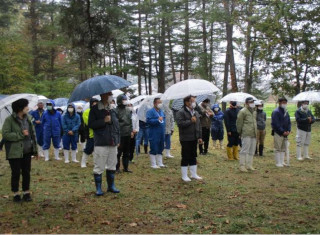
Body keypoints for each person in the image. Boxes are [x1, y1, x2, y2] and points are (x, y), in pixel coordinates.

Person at [2, 99, 38, 202]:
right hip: (14, 151)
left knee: (26, 172)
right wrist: (21, 134)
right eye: (26, 106)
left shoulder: (28, 119)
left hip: (27, 150)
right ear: (20, 108)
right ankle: (16, 193)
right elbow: (6, 134)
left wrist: (35, 151)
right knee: (16, 173)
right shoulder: (9, 120)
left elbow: (33, 135)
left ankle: (26, 192)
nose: (28, 107)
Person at [88, 92, 120, 195]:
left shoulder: (112, 109)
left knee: (112, 165)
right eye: (109, 94)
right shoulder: (95, 109)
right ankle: (98, 188)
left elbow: (116, 125)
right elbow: (91, 124)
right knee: (99, 165)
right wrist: (103, 121)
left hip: (112, 141)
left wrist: (117, 139)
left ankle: (111, 186)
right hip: (101, 141)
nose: (111, 96)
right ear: (103, 96)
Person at [176, 95, 203, 182]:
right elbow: (180, 124)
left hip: (194, 137)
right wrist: (190, 121)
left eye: (194, 101)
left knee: (193, 155)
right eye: (192, 101)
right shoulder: (181, 112)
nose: (193, 103)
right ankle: (184, 175)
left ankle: (193, 174)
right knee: (185, 156)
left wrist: (199, 136)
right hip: (185, 138)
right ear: (186, 102)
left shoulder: (195, 112)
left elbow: (198, 125)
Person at [236, 97, 257, 172]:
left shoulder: (254, 111)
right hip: (246, 133)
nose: (252, 103)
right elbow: (239, 123)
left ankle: (249, 165)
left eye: (253, 102)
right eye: (250, 102)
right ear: (246, 103)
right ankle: (242, 165)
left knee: (252, 150)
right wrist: (240, 132)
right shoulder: (243, 111)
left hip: (254, 133)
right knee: (244, 150)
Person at [271, 97, 291, 167]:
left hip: (285, 133)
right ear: (279, 103)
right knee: (278, 148)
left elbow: (289, 122)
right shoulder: (276, 112)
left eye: (285, 103)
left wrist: (288, 130)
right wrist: (282, 131)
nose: (284, 104)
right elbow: (276, 124)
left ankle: (282, 161)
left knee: (283, 148)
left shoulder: (286, 111)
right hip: (278, 133)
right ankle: (278, 162)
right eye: (283, 103)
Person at [146, 98, 166, 169]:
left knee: (161, 146)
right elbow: (148, 121)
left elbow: (164, 120)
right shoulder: (150, 111)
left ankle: (160, 163)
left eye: (161, 102)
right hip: (154, 132)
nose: (160, 104)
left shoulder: (161, 111)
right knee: (154, 146)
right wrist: (157, 120)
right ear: (154, 103)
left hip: (161, 132)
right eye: (158, 102)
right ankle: (153, 164)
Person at [116, 94, 133, 173]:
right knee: (118, 152)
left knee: (127, 152)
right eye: (123, 99)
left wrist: (131, 131)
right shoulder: (116, 110)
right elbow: (116, 123)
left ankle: (125, 167)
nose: (125, 101)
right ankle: (117, 168)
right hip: (120, 134)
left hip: (128, 133)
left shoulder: (128, 110)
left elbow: (130, 121)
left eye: (126, 99)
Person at [81, 98, 98, 168]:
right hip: (90, 134)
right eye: (94, 102)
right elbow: (88, 123)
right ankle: (83, 162)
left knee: (98, 150)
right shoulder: (86, 112)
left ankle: (96, 163)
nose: (96, 104)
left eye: (97, 103)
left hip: (99, 134)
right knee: (89, 148)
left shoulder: (100, 111)